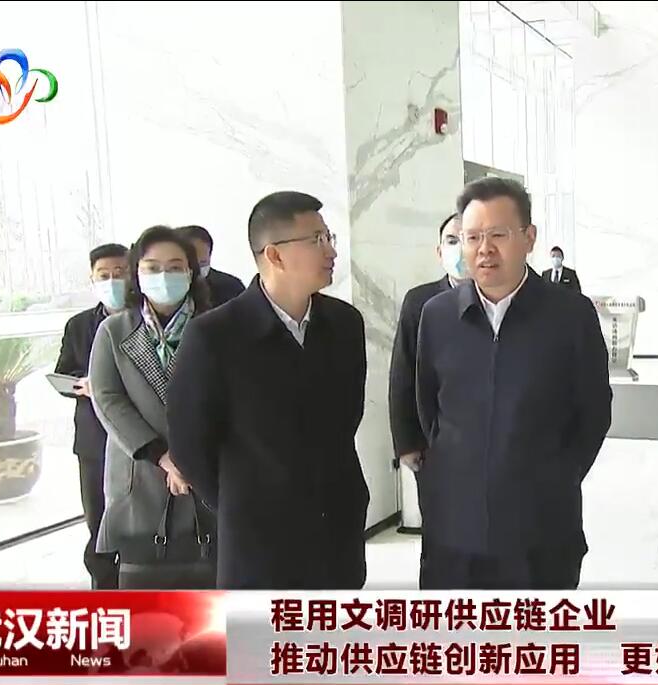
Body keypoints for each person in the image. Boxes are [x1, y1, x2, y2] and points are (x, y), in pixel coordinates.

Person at [415, 177, 611, 589]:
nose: (484, 249)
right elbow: (427, 407)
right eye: (472, 237)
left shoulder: (571, 316)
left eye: (498, 235)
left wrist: (555, 476)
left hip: (542, 532)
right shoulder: (436, 316)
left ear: (529, 237)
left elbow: (593, 413)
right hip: (454, 533)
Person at [167, 191, 369, 590]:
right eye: (316, 240)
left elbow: (349, 415)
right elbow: (190, 445)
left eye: (329, 237)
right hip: (258, 540)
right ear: (274, 255)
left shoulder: (345, 323)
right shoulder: (215, 336)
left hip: (337, 527)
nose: (330, 251)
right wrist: (244, 499)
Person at [90, 226, 215, 589]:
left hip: (204, 471)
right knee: (145, 592)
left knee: (210, 592)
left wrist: (190, 459)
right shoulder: (113, 330)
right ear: (137, 273)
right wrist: (163, 457)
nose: (164, 276)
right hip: (140, 471)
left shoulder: (215, 326)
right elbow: (108, 399)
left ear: (191, 273)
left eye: (175, 267)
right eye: (152, 267)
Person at [388, 212, 464, 583]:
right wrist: (406, 443)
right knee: (440, 534)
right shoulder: (421, 301)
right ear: (439, 251)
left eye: (468, 238)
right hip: (435, 445)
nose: (460, 248)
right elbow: (402, 373)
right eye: (452, 240)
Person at [53, 243, 128, 590]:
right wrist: (83, 384)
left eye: (119, 273)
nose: (112, 281)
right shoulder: (79, 325)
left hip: (140, 436)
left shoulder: (144, 319)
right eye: (104, 275)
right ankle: (104, 588)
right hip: (94, 438)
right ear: (93, 279)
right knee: (97, 520)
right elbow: (62, 374)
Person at [176, 225, 246, 305]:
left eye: (203, 263)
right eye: (191, 262)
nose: (196, 269)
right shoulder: (166, 288)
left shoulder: (230, 288)